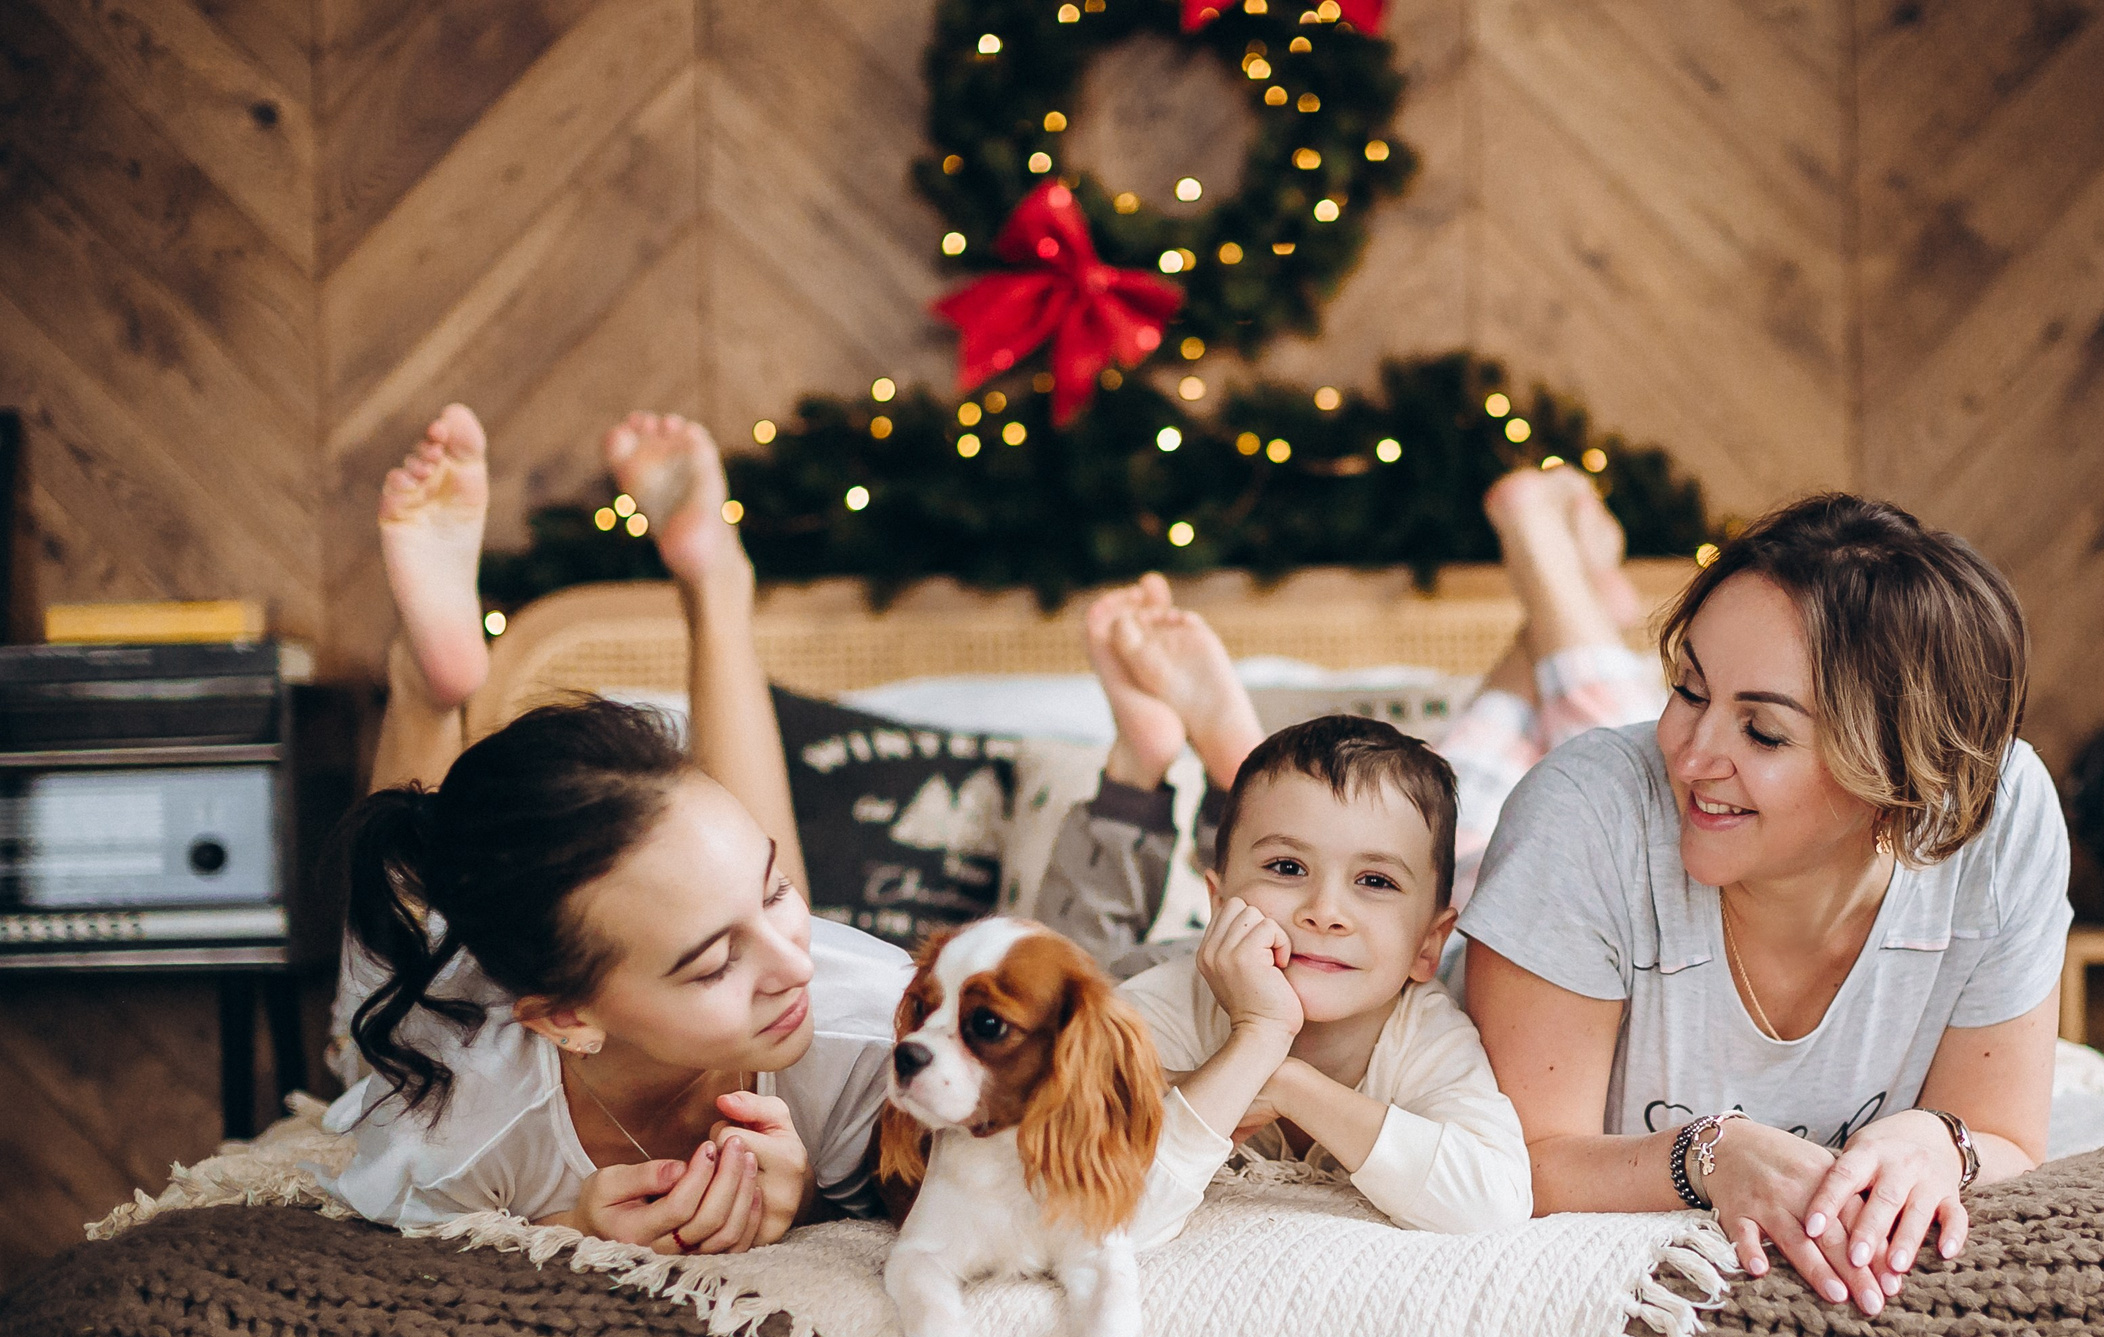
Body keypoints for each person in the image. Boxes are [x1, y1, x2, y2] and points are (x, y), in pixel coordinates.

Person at [1461, 494, 2072, 1318]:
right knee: (1424, 797)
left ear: (1900, 771)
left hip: (1640, 826)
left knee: (1595, 715)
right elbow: (1517, 1162)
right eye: (1686, 686)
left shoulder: (2001, 813)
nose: (1690, 750)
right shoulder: (1582, 813)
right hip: (1476, 872)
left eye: (1764, 731)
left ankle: (1555, 609)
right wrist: (1705, 1156)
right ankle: (1544, 556)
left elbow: (2005, 1139)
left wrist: (1940, 1142)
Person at [323, 405, 911, 1254]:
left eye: (777, 889)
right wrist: (562, 1227)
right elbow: (389, 1214)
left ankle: (717, 586)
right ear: (567, 1020)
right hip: (448, 1014)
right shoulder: (460, 1122)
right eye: (712, 966)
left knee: (716, 880)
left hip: (608, 952)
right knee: (390, 983)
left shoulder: (870, 1035)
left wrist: (811, 1203)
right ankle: (425, 686)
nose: (800, 960)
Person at [1033, 465, 1663, 969]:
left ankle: (1569, 589)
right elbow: (1060, 1008)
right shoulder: (1444, 994)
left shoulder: (1414, 945)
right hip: (1468, 926)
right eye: (1286, 867)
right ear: (1216, 892)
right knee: (1643, 808)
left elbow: (1069, 985)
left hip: (1440, 898)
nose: (1324, 913)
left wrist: (1131, 786)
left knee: (1434, 829)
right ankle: (1559, 570)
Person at [1113, 717, 1533, 1234]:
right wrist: (1258, 1036)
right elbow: (1119, 1215)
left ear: (1428, 944)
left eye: (1375, 881)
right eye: (1287, 867)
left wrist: (1289, 1085)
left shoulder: (1426, 1035)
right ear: (1220, 904)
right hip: (1141, 963)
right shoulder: (1158, 1009)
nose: (1325, 911)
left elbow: (1495, 1204)